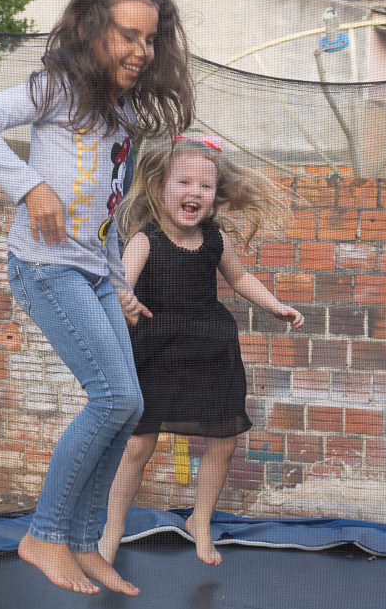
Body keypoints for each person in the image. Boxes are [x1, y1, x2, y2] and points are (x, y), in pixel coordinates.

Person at [0, 0, 194, 595]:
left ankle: (85, 543)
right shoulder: (57, 88)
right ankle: (44, 534)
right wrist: (30, 186)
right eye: (128, 35)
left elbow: (107, 217)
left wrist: (118, 284)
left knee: (130, 405)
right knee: (112, 398)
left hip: (92, 274)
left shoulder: (123, 116)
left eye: (150, 39)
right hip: (45, 264)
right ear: (90, 30)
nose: (140, 50)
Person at [99, 136, 304, 568]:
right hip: (156, 356)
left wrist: (274, 306)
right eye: (184, 182)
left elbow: (241, 279)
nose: (195, 192)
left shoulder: (215, 239)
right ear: (159, 188)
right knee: (136, 447)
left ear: (215, 195)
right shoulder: (145, 241)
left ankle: (201, 521)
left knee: (224, 443)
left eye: (205, 186)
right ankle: (111, 531)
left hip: (213, 354)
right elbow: (121, 285)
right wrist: (124, 299)